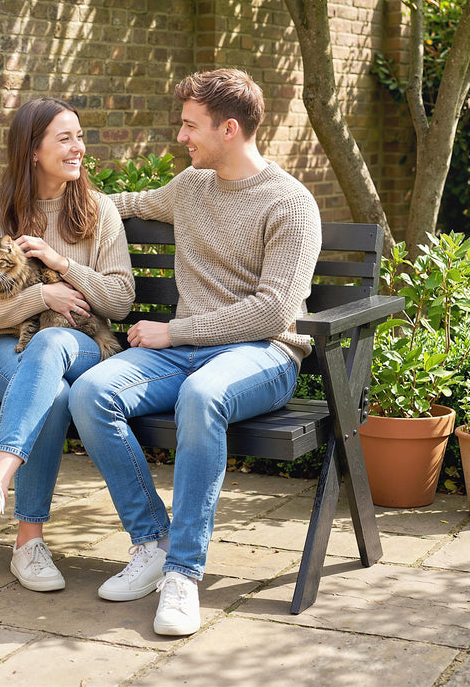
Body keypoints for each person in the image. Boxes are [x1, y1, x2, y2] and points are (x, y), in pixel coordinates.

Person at [69, 68, 322, 635]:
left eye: (190, 126)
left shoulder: (291, 205)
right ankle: (153, 542)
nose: (180, 136)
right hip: (185, 351)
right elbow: (128, 203)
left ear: (228, 129)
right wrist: (53, 197)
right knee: (89, 392)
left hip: (261, 356)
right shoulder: (191, 186)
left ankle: (184, 573)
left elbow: (273, 312)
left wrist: (174, 331)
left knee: (201, 395)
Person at [0, 97, 135, 592]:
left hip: (78, 343)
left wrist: (62, 266)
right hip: (2, 351)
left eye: (80, 136)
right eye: (65, 138)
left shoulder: (98, 212)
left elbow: (119, 302)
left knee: (53, 341)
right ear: (32, 150)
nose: (78, 148)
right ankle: (28, 544)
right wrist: (39, 294)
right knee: (51, 394)